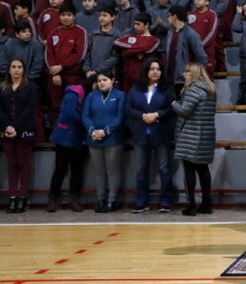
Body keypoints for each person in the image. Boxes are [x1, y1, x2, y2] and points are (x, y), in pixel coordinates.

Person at [127, 59, 176, 213]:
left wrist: (157, 114)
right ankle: (142, 202)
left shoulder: (167, 89)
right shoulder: (135, 88)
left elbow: (172, 109)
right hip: (141, 133)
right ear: (146, 71)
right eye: (152, 68)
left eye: (158, 69)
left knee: (164, 168)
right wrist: (142, 116)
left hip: (161, 133)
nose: (155, 71)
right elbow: (128, 109)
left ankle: (166, 201)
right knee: (141, 169)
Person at [172, 63, 217, 215]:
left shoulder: (193, 89)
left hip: (191, 135)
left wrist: (174, 103)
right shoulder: (210, 89)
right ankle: (207, 203)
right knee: (203, 169)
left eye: (187, 71)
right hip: (206, 134)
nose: (184, 74)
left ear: (194, 73)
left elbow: (184, 111)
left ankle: (190, 205)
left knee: (189, 171)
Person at [82, 70, 127, 213]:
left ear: (113, 80)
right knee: (99, 171)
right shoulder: (91, 96)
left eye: (105, 79)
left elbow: (120, 117)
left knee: (112, 171)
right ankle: (100, 200)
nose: (101, 82)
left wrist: (105, 131)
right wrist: (92, 130)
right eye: (99, 80)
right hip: (94, 138)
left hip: (113, 138)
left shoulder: (120, 96)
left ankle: (112, 201)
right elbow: (85, 115)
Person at [0, 59, 38, 212]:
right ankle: (12, 198)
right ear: (9, 70)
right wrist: (7, 126)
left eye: (19, 67)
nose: (16, 70)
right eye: (13, 67)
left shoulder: (30, 87)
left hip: (24, 129)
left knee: (23, 164)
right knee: (11, 164)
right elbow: (0, 110)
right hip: (5, 129)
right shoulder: (2, 87)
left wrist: (14, 127)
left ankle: (23, 197)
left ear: (23, 70)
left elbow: (29, 109)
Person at [47, 78, 88, 212]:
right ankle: (53, 198)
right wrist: (88, 121)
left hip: (80, 138)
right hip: (65, 137)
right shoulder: (73, 93)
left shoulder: (89, 95)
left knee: (77, 170)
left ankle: (74, 199)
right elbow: (70, 114)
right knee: (60, 169)